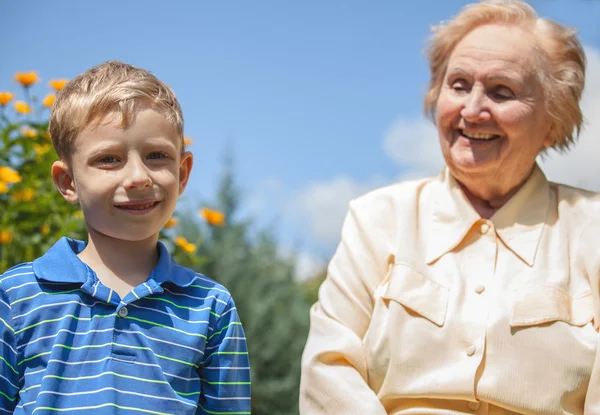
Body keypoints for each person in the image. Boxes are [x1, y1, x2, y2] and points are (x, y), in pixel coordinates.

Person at [300, 1, 600, 414]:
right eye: (458, 85)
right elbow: (328, 369)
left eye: (501, 91)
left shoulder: (592, 229)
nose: (472, 110)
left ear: (553, 121)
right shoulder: (377, 219)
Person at [0, 61, 251, 414]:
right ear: (68, 182)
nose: (138, 176)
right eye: (109, 159)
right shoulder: (15, 296)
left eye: (156, 156)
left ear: (182, 173)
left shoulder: (210, 306)